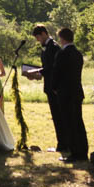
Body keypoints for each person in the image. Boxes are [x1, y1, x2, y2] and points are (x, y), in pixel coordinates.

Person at [23, 25, 64, 153]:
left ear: (43, 33)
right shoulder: (46, 48)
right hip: (49, 85)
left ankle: (63, 144)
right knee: (56, 116)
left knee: (59, 116)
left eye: (38, 37)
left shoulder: (54, 47)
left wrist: (36, 71)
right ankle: (61, 142)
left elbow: (52, 68)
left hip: (55, 87)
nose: (37, 40)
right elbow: (47, 69)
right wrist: (37, 76)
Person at [54, 28, 89, 163]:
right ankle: (83, 150)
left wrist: (54, 87)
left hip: (65, 93)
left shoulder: (62, 54)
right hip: (76, 91)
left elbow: (57, 73)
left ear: (62, 39)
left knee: (69, 123)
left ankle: (75, 152)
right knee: (78, 122)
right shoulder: (78, 54)